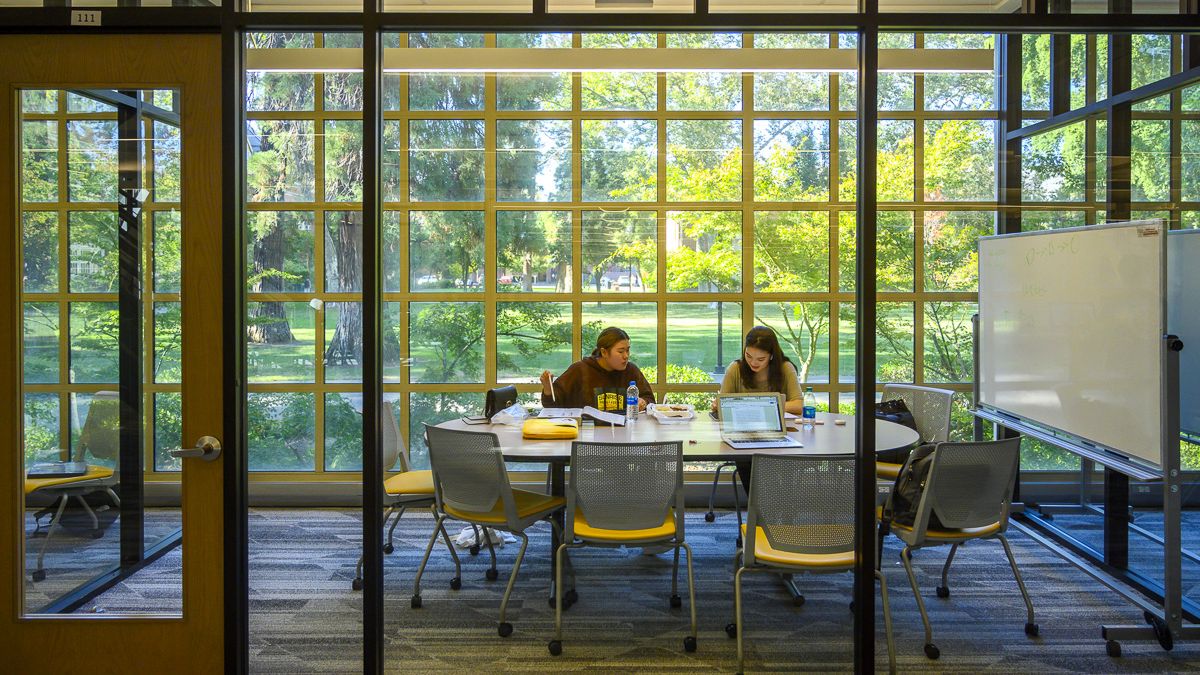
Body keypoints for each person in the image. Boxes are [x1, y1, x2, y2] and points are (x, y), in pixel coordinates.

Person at [714, 326, 804, 494]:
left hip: (777, 434)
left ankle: (780, 511)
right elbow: (722, 403)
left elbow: (798, 405)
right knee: (747, 459)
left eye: (760, 359)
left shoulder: (785, 368)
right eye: (748, 356)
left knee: (787, 463)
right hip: (742, 434)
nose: (753, 363)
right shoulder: (736, 368)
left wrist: (761, 405)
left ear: (771, 356)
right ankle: (759, 510)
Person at [540, 326, 655, 413]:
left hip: (624, 434)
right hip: (586, 435)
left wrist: (644, 402)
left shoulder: (631, 371)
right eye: (620, 351)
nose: (626, 356)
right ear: (604, 352)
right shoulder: (580, 370)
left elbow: (649, 399)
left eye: (627, 350)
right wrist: (548, 389)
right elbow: (552, 406)